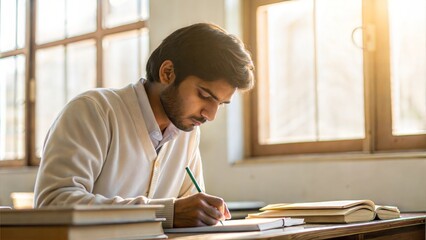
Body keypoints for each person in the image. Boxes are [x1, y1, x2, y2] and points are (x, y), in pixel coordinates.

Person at [34, 22, 254, 228]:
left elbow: (189, 212)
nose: (211, 114)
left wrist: (203, 215)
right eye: (204, 94)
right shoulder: (94, 111)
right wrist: (166, 212)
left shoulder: (187, 133)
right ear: (167, 73)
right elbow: (54, 204)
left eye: (221, 104)